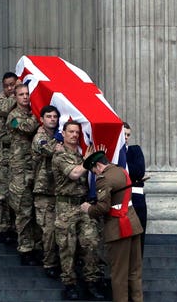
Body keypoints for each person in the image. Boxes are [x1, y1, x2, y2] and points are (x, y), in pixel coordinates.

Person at [52, 120, 105, 301]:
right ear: (64, 134)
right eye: (71, 132)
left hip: (83, 206)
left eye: (77, 132)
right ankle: (70, 284)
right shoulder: (59, 156)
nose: (74, 135)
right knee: (67, 246)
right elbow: (74, 174)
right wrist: (88, 161)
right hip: (65, 207)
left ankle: (92, 282)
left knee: (91, 241)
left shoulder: (82, 154)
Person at [82, 149, 144, 302]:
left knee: (119, 274)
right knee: (135, 271)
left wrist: (88, 209)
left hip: (118, 228)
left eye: (94, 171)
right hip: (133, 223)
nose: (95, 174)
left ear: (98, 165)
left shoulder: (104, 179)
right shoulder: (121, 171)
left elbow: (103, 207)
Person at [6, 82, 39, 265]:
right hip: (19, 170)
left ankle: (37, 246)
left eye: (27, 94)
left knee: (36, 209)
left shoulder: (33, 114)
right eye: (21, 94)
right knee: (23, 209)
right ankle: (25, 248)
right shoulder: (13, 116)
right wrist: (38, 113)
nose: (25, 97)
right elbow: (26, 128)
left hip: (34, 167)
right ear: (15, 97)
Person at [31, 105, 62, 278]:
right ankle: (49, 263)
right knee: (48, 230)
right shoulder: (39, 137)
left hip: (58, 191)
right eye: (49, 116)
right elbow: (48, 150)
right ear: (42, 119)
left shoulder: (59, 136)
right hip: (43, 191)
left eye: (55, 116)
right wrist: (58, 140)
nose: (52, 119)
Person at [0, 72, 18, 243]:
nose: (9, 88)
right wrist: (19, 90)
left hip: (14, 152)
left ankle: (14, 228)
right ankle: (2, 228)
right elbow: (5, 109)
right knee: (0, 193)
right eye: (6, 85)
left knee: (15, 192)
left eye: (12, 84)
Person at [123, 122, 147, 256]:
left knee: (138, 236)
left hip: (136, 198)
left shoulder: (134, 150)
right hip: (118, 199)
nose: (126, 137)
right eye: (123, 134)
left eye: (128, 135)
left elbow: (139, 171)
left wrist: (121, 164)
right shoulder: (112, 153)